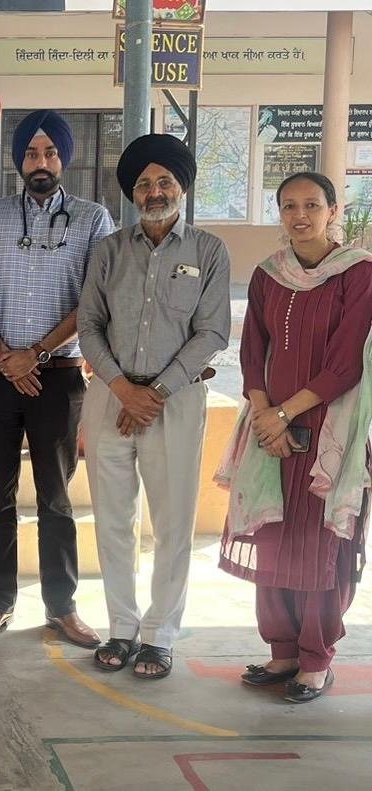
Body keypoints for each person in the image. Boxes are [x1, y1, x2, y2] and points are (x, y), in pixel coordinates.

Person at [78, 133, 230, 679]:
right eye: (144, 184)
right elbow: (89, 325)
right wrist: (125, 390)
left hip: (176, 402)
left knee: (173, 522)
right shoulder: (109, 250)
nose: (154, 191)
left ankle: (160, 634)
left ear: (181, 187)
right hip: (111, 398)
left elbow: (212, 332)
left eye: (164, 181)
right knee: (113, 521)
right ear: (132, 193)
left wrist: (156, 393)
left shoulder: (208, 251)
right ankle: (121, 628)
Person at [217, 172, 372, 704]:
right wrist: (265, 416)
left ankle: (315, 660)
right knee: (275, 536)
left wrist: (283, 414)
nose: (299, 215)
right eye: (288, 206)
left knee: (321, 546)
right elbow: (252, 351)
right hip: (271, 432)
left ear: (333, 210)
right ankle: (282, 651)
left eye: (311, 205)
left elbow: (346, 363)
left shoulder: (357, 273)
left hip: (330, 432)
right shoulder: (269, 274)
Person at [0, 110, 115, 647]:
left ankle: (62, 607)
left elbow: (95, 298)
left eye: (50, 152)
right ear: (18, 161)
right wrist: (5, 355)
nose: (41, 162)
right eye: (31, 153)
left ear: (64, 159)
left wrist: (36, 353)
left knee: (55, 498)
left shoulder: (93, 219)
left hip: (59, 376)